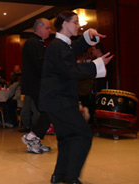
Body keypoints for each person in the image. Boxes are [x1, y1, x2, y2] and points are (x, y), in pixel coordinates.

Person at [39, 11, 114, 184]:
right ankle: (71, 177)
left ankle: (59, 175)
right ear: (65, 24)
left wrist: (89, 36)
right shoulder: (58, 46)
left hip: (56, 100)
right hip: (59, 100)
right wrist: (98, 65)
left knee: (67, 137)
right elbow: (71, 70)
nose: (78, 26)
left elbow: (74, 48)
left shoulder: (60, 44)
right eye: (75, 22)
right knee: (83, 135)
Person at [21, 18, 52, 154]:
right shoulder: (33, 43)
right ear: (39, 28)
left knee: (47, 111)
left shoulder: (37, 43)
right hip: (36, 85)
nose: (50, 30)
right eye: (47, 28)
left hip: (36, 84)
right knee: (49, 110)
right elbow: (40, 66)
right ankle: (31, 137)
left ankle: (35, 139)